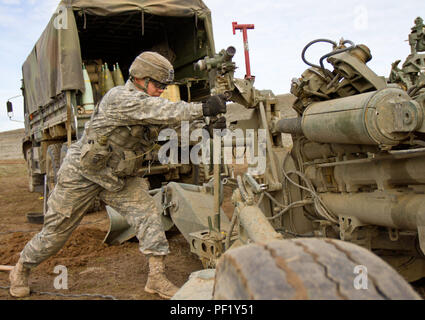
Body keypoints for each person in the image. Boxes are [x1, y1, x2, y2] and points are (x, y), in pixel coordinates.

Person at [9, 51, 227, 299]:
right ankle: (21, 269)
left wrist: (206, 128)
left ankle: (156, 278)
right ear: (140, 79)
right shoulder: (121, 98)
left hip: (118, 179)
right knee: (55, 234)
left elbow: (176, 126)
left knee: (149, 215)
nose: (161, 90)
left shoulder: (150, 104)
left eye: (164, 86)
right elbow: (162, 110)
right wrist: (202, 108)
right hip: (83, 175)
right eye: (158, 85)